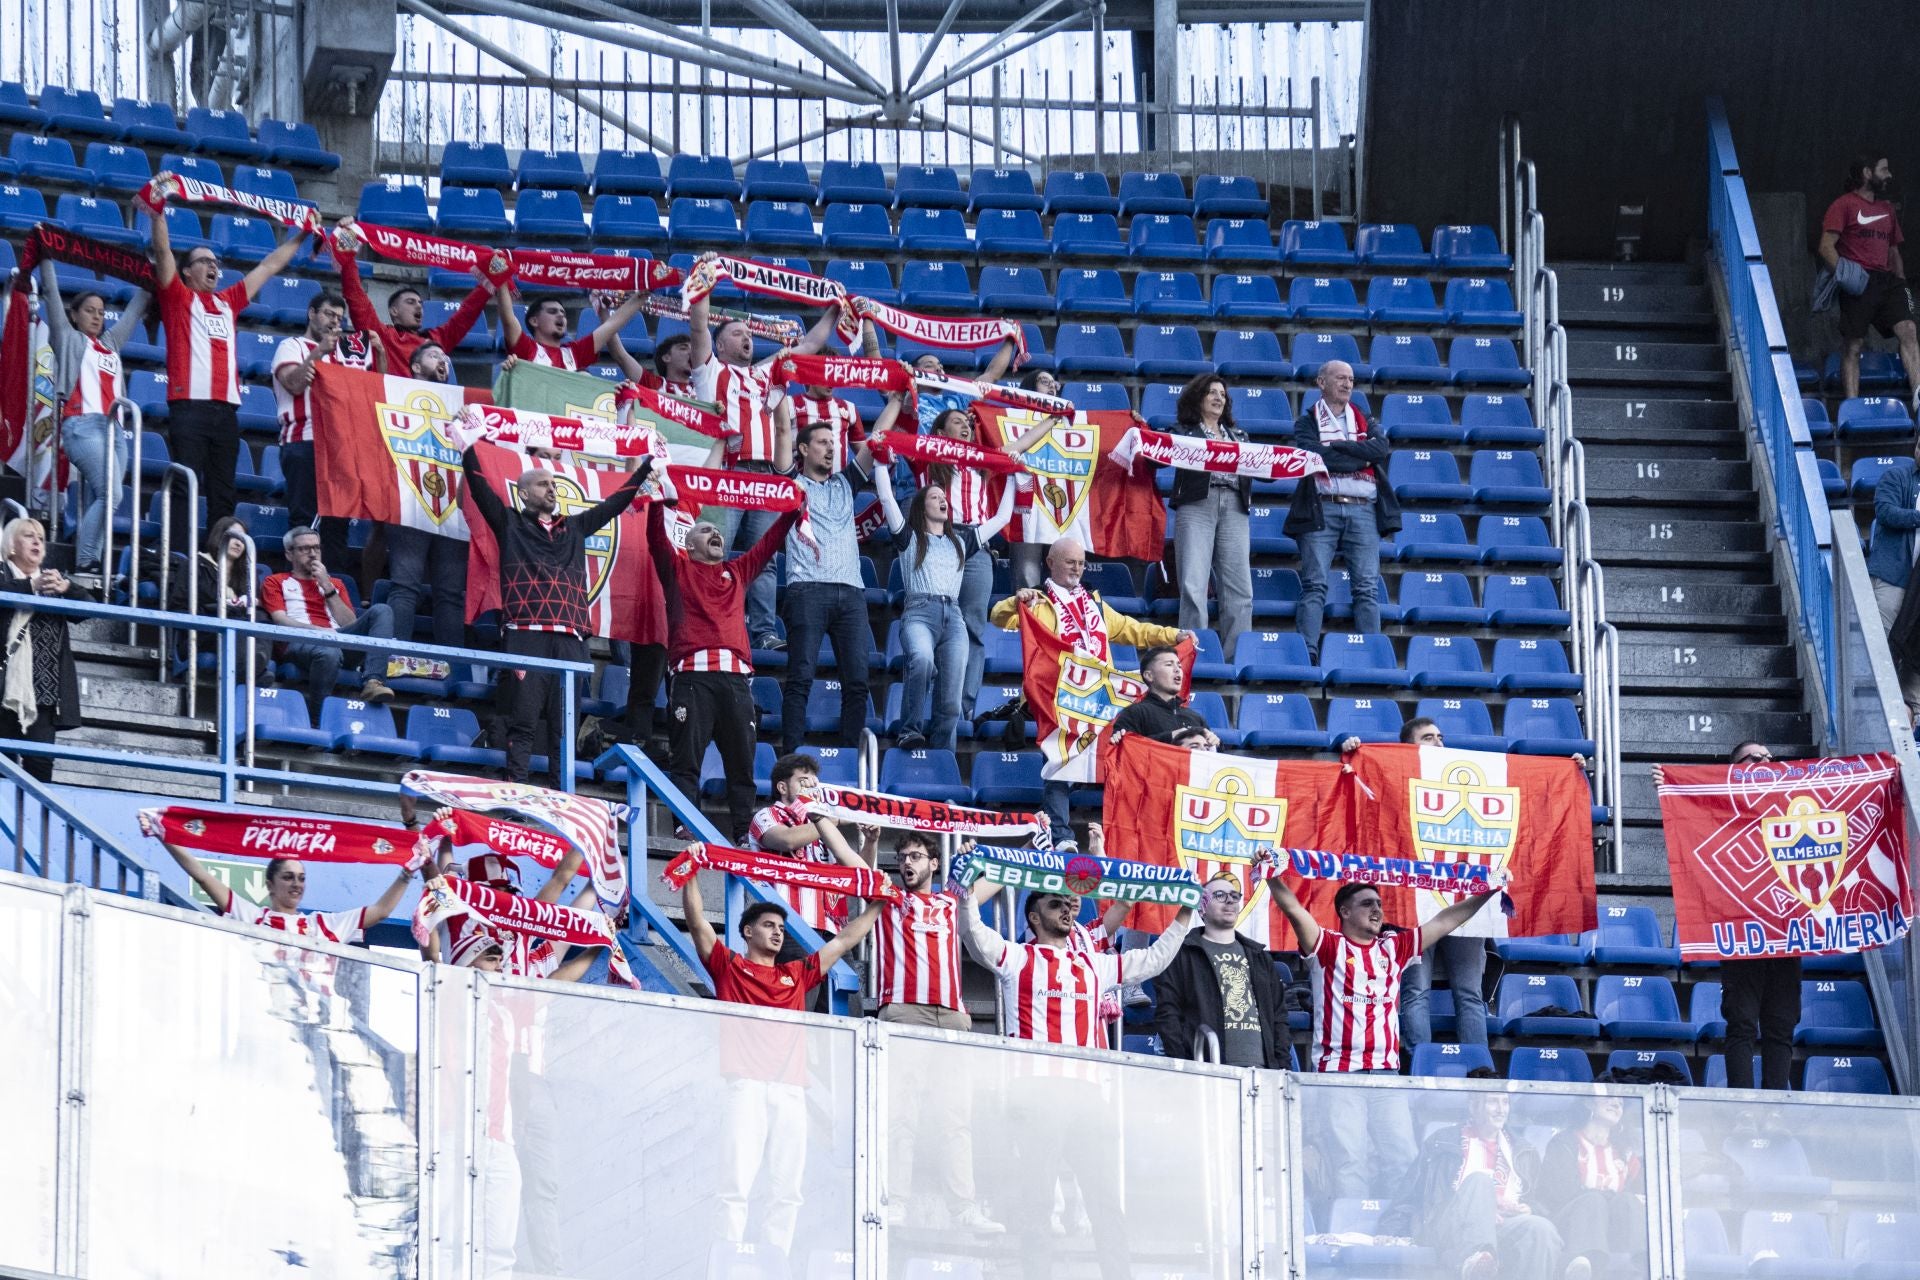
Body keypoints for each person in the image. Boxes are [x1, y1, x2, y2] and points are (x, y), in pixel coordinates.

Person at [958, 881, 1192, 1279]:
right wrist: (966, 889)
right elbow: (972, 932)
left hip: (1087, 1097)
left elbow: (1153, 960)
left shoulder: (1094, 964)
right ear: (1034, 918)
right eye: (1055, 905)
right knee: (1037, 1201)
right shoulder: (1018, 957)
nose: (1067, 910)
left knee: (1106, 1203)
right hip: (1036, 1095)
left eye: (1069, 904)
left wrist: (1185, 914)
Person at [680, 866, 880, 1259]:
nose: (777, 933)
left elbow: (843, 941)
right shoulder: (728, 966)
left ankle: (775, 1261)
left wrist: (878, 905)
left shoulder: (796, 974)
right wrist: (690, 872)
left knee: (788, 1190)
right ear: (747, 931)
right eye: (768, 925)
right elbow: (696, 921)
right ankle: (728, 1261)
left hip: (790, 1090)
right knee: (735, 1185)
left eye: (782, 928)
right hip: (746, 1085)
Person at [1264, 871, 1498, 1202]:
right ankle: (1351, 1227)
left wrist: (1488, 892)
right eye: (1366, 904)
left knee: (1403, 1160)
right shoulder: (1328, 946)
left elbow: (1447, 920)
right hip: (1340, 1076)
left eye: (1379, 903)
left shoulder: (1394, 948)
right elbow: (1293, 909)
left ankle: (1397, 1226)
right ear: (1344, 911)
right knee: (1350, 1162)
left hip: (1387, 1076)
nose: (1377, 910)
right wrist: (1272, 877)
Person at [461, 448, 653, 782]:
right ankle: (517, 796)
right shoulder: (509, 522)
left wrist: (645, 468)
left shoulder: (575, 527)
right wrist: (466, 447)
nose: (551, 489)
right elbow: (478, 488)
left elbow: (615, 503)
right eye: (542, 484)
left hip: (571, 639)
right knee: (523, 722)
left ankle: (561, 800)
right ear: (523, 493)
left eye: (553, 484)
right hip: (526, 634)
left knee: (564, 728)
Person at [989, 537, 1187, 845]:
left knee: (1123, 755)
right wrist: (1017, 600)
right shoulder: (1038, 601)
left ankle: (1118, 834)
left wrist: (1173, 635)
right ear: (1050, 563)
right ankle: (1061, 836)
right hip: (1057, 698)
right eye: (1070, 562)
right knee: (1059, 758)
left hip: (1098, 698)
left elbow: (1132, 629)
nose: (1077, 569)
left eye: (1081, 563)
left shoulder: (1094, 603)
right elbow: (998, 617)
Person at [689, 283, 843, 649]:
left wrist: (835, 310)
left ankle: (763, 633)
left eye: (749, 334)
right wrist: (704, 284)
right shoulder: (710, 372)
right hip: (727, 475)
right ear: (719, 345)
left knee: (766, 560)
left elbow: (808, 345)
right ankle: (706, 624)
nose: (747, 338)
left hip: (766, 478)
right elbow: (697, 326)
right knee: (713, 550)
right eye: (737, 333)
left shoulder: (765, 374)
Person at [647, 474, 798, 841]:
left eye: (716, 530)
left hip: (735, 682)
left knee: (742, 765)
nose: (714, 532)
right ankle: (685, 827)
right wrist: (659, 499)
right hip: (692, 679)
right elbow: (655, 538)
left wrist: (793, 511)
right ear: (688, 544)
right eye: (705, 530)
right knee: (686, 761)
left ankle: (744, 834)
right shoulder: (677, 569)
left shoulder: (737, 571)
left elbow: (768, 544)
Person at [150, 205, 304, 554]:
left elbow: (269, 266)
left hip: (226, 413)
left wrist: (302, 235)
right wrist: (156, 212)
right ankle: (178, 558)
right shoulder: (177, 296)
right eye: (204, 261)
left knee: (224, 492)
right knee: (185, 486)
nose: (213, 266)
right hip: (189, 407)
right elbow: (162, 251)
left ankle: (218, 563)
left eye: (215, 262)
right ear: (186, 271)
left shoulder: (227, 301)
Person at [870, 832, 1003, 1233]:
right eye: (902, 857)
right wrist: (868, 842)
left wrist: (1029, 845)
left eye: (915, 855)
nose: (906, 862)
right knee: (901, 1112)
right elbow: (857, 865)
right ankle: (895, 1202)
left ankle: (963, 1207)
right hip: (905, 1011)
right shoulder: (891, 897)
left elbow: (1000, 875)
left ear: (934, 863)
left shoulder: (952, 900)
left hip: (953, 1016)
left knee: (956, 1117)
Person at [1654, 740, 1799, 1090]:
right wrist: (1671, 785)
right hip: (1740, 929)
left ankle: (1778, 1108)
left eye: (1770, 756)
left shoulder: (1792, 799)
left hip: (1786, 929)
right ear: (1735, 768)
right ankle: (1743, 1106)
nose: (1765, 761)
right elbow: (1689, 818)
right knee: (1742, 1023)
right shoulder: (1721, 803)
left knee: (1781, 1025)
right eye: (1755, 757)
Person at [872, 408, 1015, 750]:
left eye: (944, 498)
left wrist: (1012, 475)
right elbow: (887, 497)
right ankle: (909, 728)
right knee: (922, 659)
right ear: (921, 506)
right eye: (935, 497)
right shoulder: (907, 534)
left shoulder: (962, 541)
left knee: (950, 701)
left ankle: (942, 756)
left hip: (953, 617)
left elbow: (1001, 518)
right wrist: (879, 462)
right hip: (919, 612)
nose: (943, 500)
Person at [1378, 1092, 1568, 1280]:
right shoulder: (1441, 1141)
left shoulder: (1523, 1148)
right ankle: (1476, 1263)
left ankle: (1486, 1261)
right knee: (1481, 1181)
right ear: (1473, 1106)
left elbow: (1541, 1200)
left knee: (1541, 1228)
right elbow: (1410, 1193)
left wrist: (1529, 1208)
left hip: (1503, 1224)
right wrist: (1390, 1232)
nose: (1501, 1110)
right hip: (1449, 1224)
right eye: (1493, 1102)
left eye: (1505, 1102)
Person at [35, 262, 148, 579]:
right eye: (89, 311)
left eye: (101, 312)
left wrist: (153, 269)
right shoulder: (68, 338)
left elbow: (135, 309)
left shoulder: (111, 343)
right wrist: (45, 257)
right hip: (82, 425)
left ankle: (91, 564)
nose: (97, 316)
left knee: (109, 497)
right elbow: (52, 294)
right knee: (111, 494)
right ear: (74, 315)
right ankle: (85, 560)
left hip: (115, 432)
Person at [775, 415, 877, 755]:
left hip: (851, 593)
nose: (831, 448)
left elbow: (876, 441)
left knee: (858, 682)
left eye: (834, 443)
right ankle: (792, 759)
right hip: (807, 589)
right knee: (801, 677)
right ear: (803, 449)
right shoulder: (791, 483)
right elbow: (782, 430)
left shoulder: (847, 482)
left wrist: (895, 400)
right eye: (822, 442)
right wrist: (781, 390)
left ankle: (849, 762)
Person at [1287, 360, 1398, 663]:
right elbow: (1316, 456)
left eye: (1350, 379)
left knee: (1366, 587)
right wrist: (1360, 457)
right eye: (1340, 378)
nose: (1348, 384)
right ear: (1321, 382)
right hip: (1322, 508)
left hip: (1364, 510)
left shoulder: (1366, 419)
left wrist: (1339, 449)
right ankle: (1307, 654)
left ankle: (1372, 656)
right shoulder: (1307, 421)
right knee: (1314, 584)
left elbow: (1380, 449)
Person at [273, 289, 378, 572]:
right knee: (304, 521)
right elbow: (294, 384)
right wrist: (319, 352)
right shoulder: (291, 346)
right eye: (329, 314)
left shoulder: (346, 355)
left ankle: (333, 588)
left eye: (339, 318)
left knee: (337, 525)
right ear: (311, 314)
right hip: (303, 440)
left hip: (341, 448)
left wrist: (379, 352)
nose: (334, 322)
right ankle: (302, 586)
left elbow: (370, 392)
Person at [1152, 871, 1291, 1067]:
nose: (1229, 900)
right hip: (1207, 1070)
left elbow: (1279, 1017)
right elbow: (1168, 1013)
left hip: (1262, 1071)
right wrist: (1186, 1064)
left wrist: (1282, 1066)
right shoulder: (1181, 954)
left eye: (1234, 896)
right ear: (1201, 908)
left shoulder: (1260, 956)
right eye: (1219, 895)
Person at [1818, 153, 1920, 407]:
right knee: (1854, 345)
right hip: (1859, 281)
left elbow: (1893, 251)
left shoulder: (1887, 209)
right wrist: (1846, 276)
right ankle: (1853, 406)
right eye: (1884, 170)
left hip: (1888, 281)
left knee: (1908, 329)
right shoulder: (1843, 205)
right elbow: (1826, 247)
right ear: (1867, 172)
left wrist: (1902, 283)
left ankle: (1919, 396)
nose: (1889, 175)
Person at [160, 842, 415, 942]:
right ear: (270, 884)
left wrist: (408, 872)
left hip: (314, 1024)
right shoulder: (252, 918)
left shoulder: (322, 925)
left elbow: (381, 911)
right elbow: (202, 877)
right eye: (288, 877)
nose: (296, 884)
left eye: (302, 878)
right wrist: (165, 835)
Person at [0, 517, 96, 778]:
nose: (37, 542)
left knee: (40, 767)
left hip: (44, 692)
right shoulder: (3, 574)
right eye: (29, 536)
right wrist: (30, 586)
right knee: (2, 768)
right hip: (4, 688)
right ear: (11, 545)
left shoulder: (54, 583)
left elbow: (89, 610)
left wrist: (67, 588)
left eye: (41, 538)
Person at [1167, 373, 1254, 660]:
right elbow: (1157, 454)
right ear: (1198, 398)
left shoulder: (1240, 436)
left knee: (1240, 588)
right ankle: (1194, 656)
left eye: (1222, 394)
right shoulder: (1183, 432)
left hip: (1235, 505)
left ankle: (1235, 659)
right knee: (1193, 584)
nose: (1219, 398)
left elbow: (1264, 470)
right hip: (1197, 505)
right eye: (1212, 392)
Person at [748, 753, 873, 953]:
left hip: (834, 929)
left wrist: (871, 842)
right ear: (782, 788)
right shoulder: (767, 815)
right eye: (804, 782)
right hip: (790, 925)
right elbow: (788, 840)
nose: (812, 789)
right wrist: (832, 818)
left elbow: (855, 873)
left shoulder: (823, 823)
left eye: (815, 784)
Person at [262, 525, 396, 711]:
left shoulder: (335, 584)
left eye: (316, 548)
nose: (312, 554)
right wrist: (319, 632)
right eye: (304, 549)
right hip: (299, 641)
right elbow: (280, 620)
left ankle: (373, 682)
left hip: (338, 639)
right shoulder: (275, 581)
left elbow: (349, 623)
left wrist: (327, 586)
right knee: (328, 651)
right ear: (289, 555)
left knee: (382, 610)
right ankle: (318, 717)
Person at [334, 230, 496, 372]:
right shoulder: (381, 335)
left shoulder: (435, 340)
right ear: (394, 311)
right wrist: (348, 242)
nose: (418, 306)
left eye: (420, 303)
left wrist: (494, 274)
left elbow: (467, 313)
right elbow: (356, 296)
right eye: (410, 302)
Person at [1535, 1095, 1646, 1279]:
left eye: (1620, 1102)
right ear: (1588, 1102)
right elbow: (1560, 1193)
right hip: (1570, 1226)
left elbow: (1638, 1193)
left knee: (1628, 1200)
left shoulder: (1624, 1152)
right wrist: (1605, 1195)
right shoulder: (1564, 1142)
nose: (1616, 1104)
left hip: (1611, 1231)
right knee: (1593, 1201)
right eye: (1609, 1098)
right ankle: (1585, 1270)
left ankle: (1648, 1266)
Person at [1868, 444, 1920, 718]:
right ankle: (1874, 712)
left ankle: (1913, 720)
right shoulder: (1896, 477)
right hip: (1895, 577)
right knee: (1882, 646)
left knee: (1916, 654)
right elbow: (1885, 511)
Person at [496, 288, 644, 371]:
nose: (561, 315)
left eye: (563, 313)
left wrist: (643, 295)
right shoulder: (526, 348)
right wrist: (500, 273)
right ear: (534, 321)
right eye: (552, 312)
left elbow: (612, 325)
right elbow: (508, 318)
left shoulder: (574, 352)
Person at [1109, 644, 1208, 743]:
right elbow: (1126, 748)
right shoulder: (1135, 713)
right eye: (1169, 664)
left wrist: (1214, 742)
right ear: (1149, 676)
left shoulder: (1196, 718)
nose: (1177, 670)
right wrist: (1170, 737)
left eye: (1179, 666)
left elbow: (1211, 752)